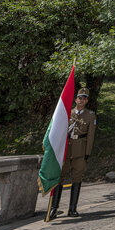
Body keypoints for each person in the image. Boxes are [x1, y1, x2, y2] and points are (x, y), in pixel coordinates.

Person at [49, 87, 96, 219]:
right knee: (60, 178)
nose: (82, 100)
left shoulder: (90, 115)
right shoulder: (67, 113)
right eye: (80, 97)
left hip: (80, 151)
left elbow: (90, 136)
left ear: (87, 101)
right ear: (76, 99)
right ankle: (54, 208)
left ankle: (72, 208)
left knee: (77, 178)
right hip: (65, 151)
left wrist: (87, 153)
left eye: (85, 98)